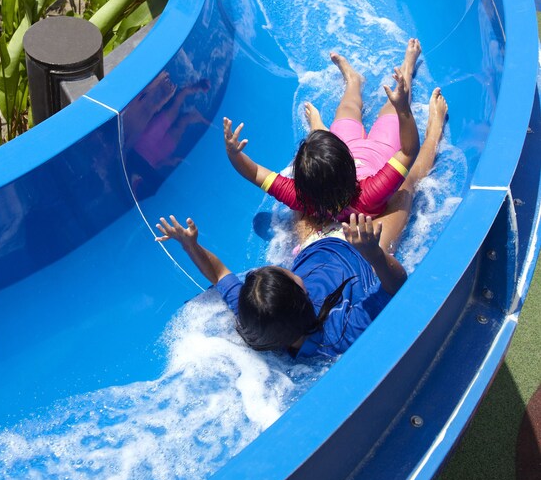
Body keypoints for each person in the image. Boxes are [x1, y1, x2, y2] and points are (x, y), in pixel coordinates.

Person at [156, 88, 447, 358]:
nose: (287, 269)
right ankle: (434, 130)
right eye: (287, 275)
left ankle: (319, 137)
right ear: (303, 296)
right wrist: (374, 253)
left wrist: (190, 245)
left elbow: (219, 274)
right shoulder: (339, 333)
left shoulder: (259, 312)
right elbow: (395, 285)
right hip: (362, 252)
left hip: (315, 243)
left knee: (310, 194)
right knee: (407, 186)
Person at [224, 38, 423, 224]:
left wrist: (234, 155)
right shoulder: (371, 193)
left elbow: (256, 173)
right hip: (381, 149)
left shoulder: (303, 200)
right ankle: (407, 67)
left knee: (347, 109)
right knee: (394, 105)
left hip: (347, 146)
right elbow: (408, 151)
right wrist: (403, 108)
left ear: (301, 183)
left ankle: (354, 81)